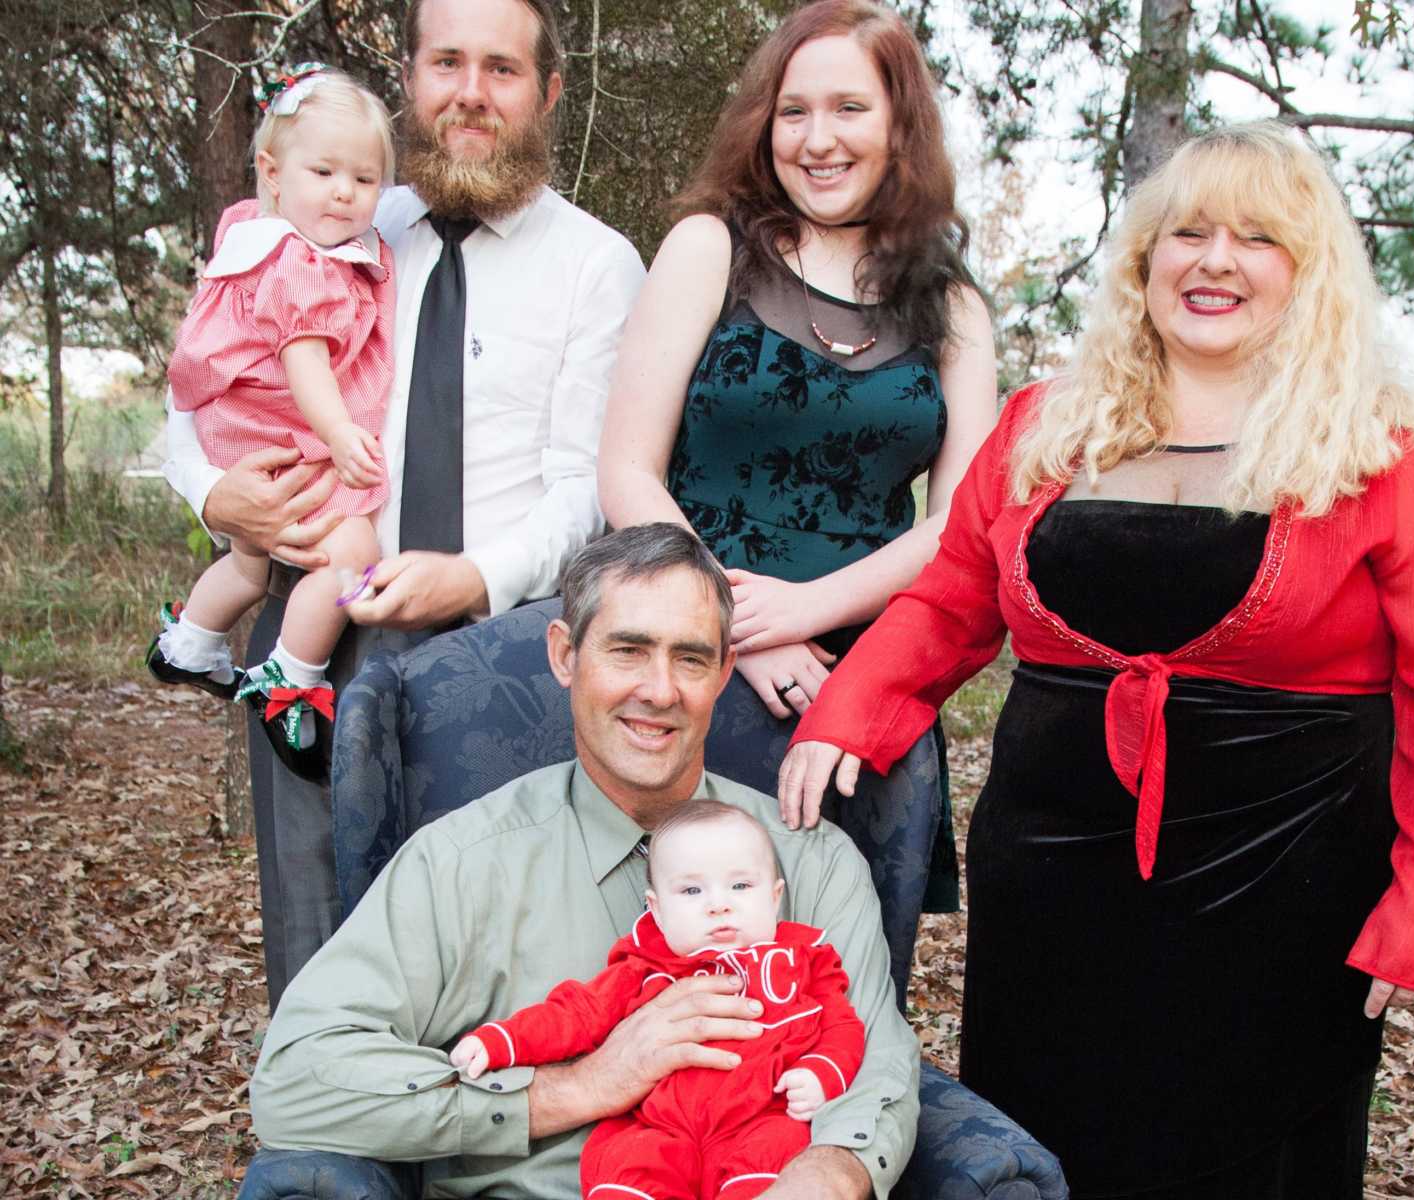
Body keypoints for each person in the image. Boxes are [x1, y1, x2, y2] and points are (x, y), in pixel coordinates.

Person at [780, 122, 1414, 1199]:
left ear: (1308, 277)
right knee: (1048, 1147)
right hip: (1053, 885)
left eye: (1258, 239)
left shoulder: (1387, 455)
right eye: (1188, 233)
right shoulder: (1043, 428)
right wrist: (848, 712)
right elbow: (947, 603)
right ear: (1142, 261)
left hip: (1286, 891)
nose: (1214, 260)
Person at [162, 0, 646, 1008]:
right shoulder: (330, 223)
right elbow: (199, 393)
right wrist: (221, 501)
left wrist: (471, 577)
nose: (471, 91)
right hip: (316, 633)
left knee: (497, 946)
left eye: (503, 70)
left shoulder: (595, 264)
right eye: (448, 63)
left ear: (547, 92)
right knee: (316, 928)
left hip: (507, 650)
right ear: (410, 78)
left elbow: (585, 483)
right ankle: (328, 1150)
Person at [245, 524, 920, 1200]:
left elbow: (876, 1059)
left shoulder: (809, 858)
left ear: (721, 673)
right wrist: (578, 1087)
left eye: (690, 659)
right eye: (628, 650)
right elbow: (297, 1075)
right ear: (566, 655)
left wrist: (825, 1176)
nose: (659, 690)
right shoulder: (461, 863)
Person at [597, 0, 997, 994]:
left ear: (899, 126)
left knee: (840, 977)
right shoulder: (708, 248)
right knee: (668, 958)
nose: (818, 140)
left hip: (864, 673)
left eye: (850, 109)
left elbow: (961, 523)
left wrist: (810, 613)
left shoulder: (952, 305)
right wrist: (736, 627)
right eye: (793, 111)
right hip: (688, 655)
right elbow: (624, 471)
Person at [149, 67, 394, 774]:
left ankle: (190, 642)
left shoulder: (249, 235)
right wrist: (342, 433)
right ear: (272, 172)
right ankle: (293, 672)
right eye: (324, 171)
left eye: (364, 179)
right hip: (284, 437)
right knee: (353, 549)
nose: (344, 192)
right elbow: (304, 360)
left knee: (249, 563)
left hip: (239, 438)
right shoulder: (303, 264)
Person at [450, 800, 866, 1200]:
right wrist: (502, 1041)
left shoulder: (804, 961)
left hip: (761, 1117)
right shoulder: (645, 969)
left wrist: (820, 1072)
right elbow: (576, 1014)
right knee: (628, 1165)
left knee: (781, 1155)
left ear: (774, 898)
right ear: (657, 909)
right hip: (661, 1125)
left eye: (740, 885)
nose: (719, 905)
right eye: (691, 891)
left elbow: (842, 1027)